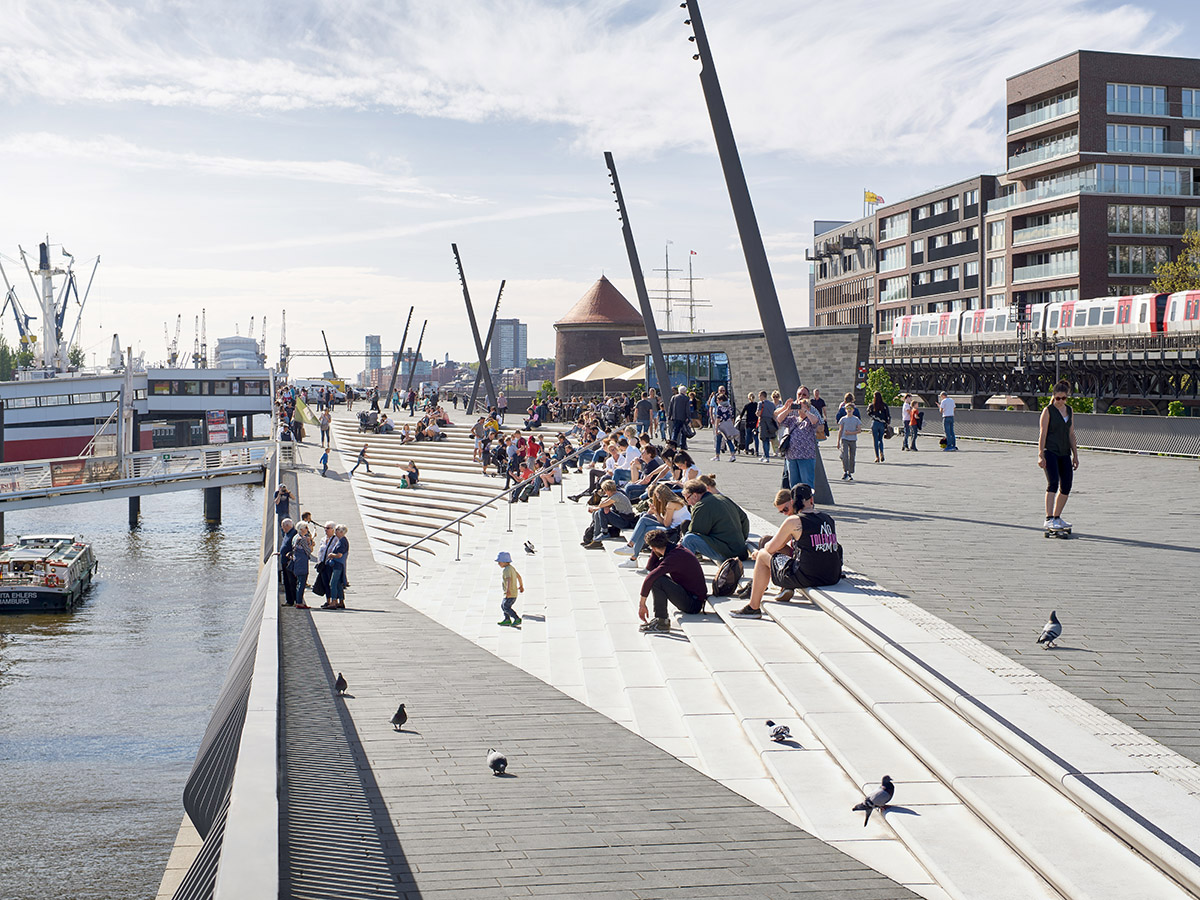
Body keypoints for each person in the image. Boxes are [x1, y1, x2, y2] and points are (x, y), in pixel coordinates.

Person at [731, 483, 844, 619]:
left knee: (762, 555)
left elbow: (770, 548)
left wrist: (757, 552)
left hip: (807, 576)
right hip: (832, 576)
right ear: (811, 500)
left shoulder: (794, 521)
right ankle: (783, 588)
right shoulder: (828, 519)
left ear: (792, 502)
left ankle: (753, 607)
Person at [637, 529, 708, 634]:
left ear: (654, 547)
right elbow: (650, 568)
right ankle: (660, 620)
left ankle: (662, 622)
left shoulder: (674, 557)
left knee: (657, 580)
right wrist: (655, 551)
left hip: (693, 603)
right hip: (691, 597)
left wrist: (642, 604)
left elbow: (650, 577)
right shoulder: (674, 550)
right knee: (658, 578)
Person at [1038, 380, 1079, 531]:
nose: (1061, 401)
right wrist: (1040, 455)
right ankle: (1048, 518)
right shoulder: (1047, 411)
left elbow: (1071, 434)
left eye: (1064, 398)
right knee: (1053, 483)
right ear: (1053, 397)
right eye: (1058, 398)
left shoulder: (1069, 410)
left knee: (1067, 485)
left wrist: (1075, 455)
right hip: (1050, 451)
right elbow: (1042, 434)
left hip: (1064, 452)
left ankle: (1057, 516)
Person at [679, 478, 750, 564]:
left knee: (689, 539)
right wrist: (742, 539)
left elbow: (695, 531)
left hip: (728, 552)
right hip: (740, 550)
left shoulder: (702, 506)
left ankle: (685, 571)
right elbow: (744, 519)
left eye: (687, 499)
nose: (689, 503)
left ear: (695, 495)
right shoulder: (723, 498)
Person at [775, 388, 821, 489]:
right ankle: (796, 503)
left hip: (806, 456)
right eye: (799, 394)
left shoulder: (809, 419)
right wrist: (787, 409)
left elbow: (815, 421)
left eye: (804, 394)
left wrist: (805, 410)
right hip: (792, 456)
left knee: (807, 483)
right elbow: (778, 419)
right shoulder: (792, 419)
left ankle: (808, 503)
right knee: (794, 484)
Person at [583, 480, 638, 548]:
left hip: (626, 521)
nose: (604, 493)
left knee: (601, 511)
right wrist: (605, 506)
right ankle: (595, 537)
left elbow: (601, 505)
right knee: (597, 513)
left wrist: (602, 507)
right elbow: (604, 505)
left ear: (608, 490)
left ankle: (604, 532)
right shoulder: (615, 495)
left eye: (604, 491)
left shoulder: (616, 496)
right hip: (622, 518)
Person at [322, 524, 349, 609]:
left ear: (341, 532)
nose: (335, 531)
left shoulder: (342, 541)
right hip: (339, 565)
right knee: (338, 584)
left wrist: (331, 555)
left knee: (333, 583)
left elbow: (339, 555)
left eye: (337, 530)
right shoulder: (341, 540)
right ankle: (341, 601)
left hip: (338, 565)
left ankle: (333, 602)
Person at [495, 550, 524, 626]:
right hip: (514, 593)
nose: (498, 564)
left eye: (499, 562)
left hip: (510, 593)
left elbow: (508, 580)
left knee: (506, 607)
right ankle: (507, 619)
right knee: (503, 605)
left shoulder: (507, 570)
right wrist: (521, 586)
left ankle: (516, 618)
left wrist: (508, 590)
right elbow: (519, 576)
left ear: (504, 562)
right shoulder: (512, 568)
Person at [711, 386, 738, 462]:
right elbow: (732, 417)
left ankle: (717, 456)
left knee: (719, 440)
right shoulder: (729, 406)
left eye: (718, 400)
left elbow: (718, 418)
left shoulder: (720, 407)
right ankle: (732, 455)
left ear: (721, 400)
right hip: (729, 424)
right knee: (728, 440)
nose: (717, 401)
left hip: (722, 425)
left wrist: (716, 427)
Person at [292, 522, 315, 609]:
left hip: (296, 562)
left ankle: (298, 601)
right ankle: (299, 602)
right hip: (302, 563)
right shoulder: (302, 539)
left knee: (299, 582)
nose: (307, 529)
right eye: (306, 527)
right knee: (302, 582)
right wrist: (310, 543)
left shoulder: (295, 537)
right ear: (301, 529)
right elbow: (308, 551)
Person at [837, 402, 862, 481]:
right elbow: (840, 430)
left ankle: (850, 472)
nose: (849, 410)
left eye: (850, 409)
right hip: (844, 439)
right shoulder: (843, 419)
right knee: (845, 455)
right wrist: (838, 441)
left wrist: (851, 433)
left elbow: (859, 430)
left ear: (853, 410)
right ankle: (845, 471)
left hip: (853, 439)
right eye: (847, 409)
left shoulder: (856, 419)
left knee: (852, 456)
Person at [867, 391, 891, 463]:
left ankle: (877, 456)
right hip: (882, 424)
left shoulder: (872, 405)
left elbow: (869, 413)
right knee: (880, 439)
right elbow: (888, 415)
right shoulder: (884, 405)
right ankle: (882, 453)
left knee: (875, 440)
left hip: (875, 423)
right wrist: (886, 423)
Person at [279, 517, 298, 606]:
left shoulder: (294, 534)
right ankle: (289, 600)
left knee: (292, 581)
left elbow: (294, 547)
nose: (282, 528)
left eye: (283, 526)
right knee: (286, 581)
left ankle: (293, 600)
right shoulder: (287, 534)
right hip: (284, 561)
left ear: (287, 526)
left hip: (289, 562)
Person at [668, 385, 691, 449]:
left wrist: (669, 416)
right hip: (683, 417)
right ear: (684, 391)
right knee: (683, 432)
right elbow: (687, 409)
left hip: (675, 417)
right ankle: (683, 445)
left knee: (675, 431)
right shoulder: (686, 398)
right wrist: (688, 417)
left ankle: (672, 445)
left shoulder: (674, 397)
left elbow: (670, 407)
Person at [757, 390, 777, 462]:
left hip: (763, 422)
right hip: (770, 422)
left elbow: (759, 413)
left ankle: (767, 457)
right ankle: (764, 455)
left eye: (759, 396)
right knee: (768, 439)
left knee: (764, 440)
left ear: (762, 396)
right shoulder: (772, 404)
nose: (759, 398)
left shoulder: (760, 403)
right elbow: (774, 414)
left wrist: (757, 413)